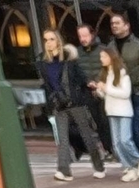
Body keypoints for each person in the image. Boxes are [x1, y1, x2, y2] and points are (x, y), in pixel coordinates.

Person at [41, 26, 113, 178]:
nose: (49, 43)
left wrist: (91, 84)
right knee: (63, 140)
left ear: (59, 41)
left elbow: (81, 78)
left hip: (76, 103)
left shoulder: (69, 61)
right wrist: (50, 106)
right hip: (59, 105)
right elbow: (47, 86)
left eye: (52, 39)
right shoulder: (43, 64)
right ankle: (64, 170)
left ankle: (99, 167)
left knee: (87, 137)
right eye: (46, 40)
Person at [108, 10, 139, 158]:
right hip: (122, 96)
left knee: (135, 128)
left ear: (127, 26)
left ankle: (136, 161)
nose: (114, 26)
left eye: (117, 23)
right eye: (112, 23)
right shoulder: (111, 46)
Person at [96, 48, 139, 178]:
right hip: (111, 111)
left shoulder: (123, 74)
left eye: (104, 56)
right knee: (116, 144)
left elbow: (125, 93)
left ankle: (138, 161)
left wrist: (107, 88)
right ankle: (128, 167)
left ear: (111, 57)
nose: (101, 59)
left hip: (123, 111)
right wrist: (100, 90)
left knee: (125, 140)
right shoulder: (106, 74)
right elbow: (107, 95)